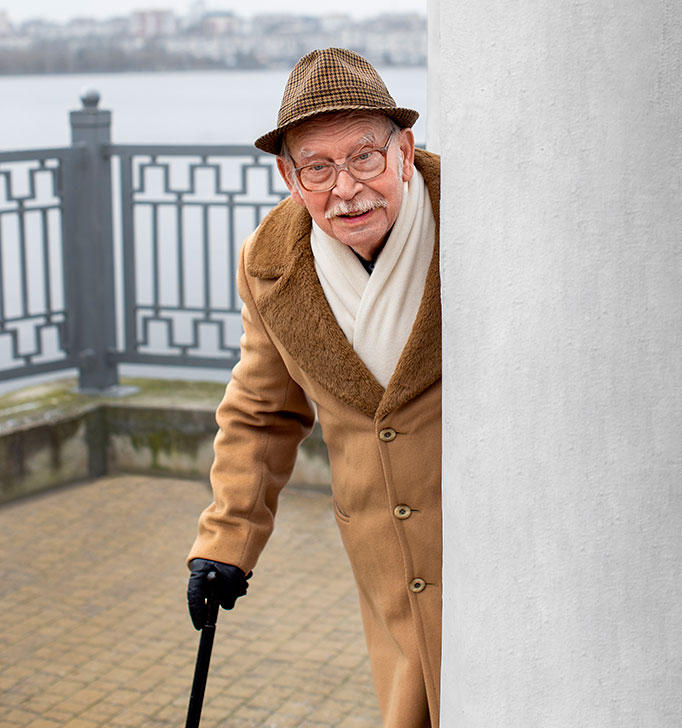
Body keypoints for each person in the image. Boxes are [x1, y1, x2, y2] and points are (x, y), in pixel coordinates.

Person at [187, 47, 441, 728]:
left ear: (405, 151)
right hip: (388, 570)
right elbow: (261, 413)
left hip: (496, 555)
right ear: (288, 176)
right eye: (318, 168)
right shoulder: (270, 264)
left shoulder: (481, 227)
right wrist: (225, 543)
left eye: (364, 158)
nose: (346, 188)